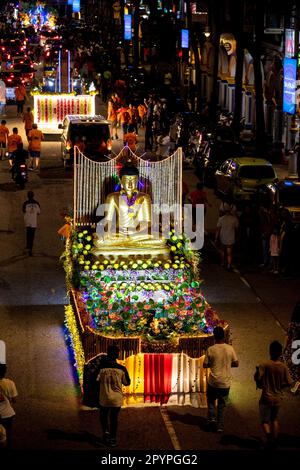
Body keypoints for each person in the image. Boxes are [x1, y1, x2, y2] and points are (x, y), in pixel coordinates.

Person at [254, 340, 293, 449]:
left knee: (264, 421)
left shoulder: (264, 365)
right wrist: (280, 387)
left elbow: (258, 378)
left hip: (266, 397)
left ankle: (270, 440)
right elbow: (289, 383)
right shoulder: (284, 367)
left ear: (270, 351)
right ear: (280, 353)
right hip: (277, 398)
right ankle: (274, 442)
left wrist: (257, 371)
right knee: (274, 420)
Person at [203, 326, 239, 433]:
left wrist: (213, 363)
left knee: (211, 402)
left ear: (214, 337)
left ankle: (212, 420)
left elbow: (205, 365)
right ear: (224, 336)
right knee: (222, 405)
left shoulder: (210, 349)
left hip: (213, 382)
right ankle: (220, 426)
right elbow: (236, 363)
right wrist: (228, 364)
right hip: (225, 383)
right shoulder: (230, 349)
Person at [97, 345, 130, 447]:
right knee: (114, 418)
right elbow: (127, 382)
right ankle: (113, 438)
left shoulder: (101, 368)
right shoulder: (122, 368)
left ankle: (106, 431)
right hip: (116, 398)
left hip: (104, 397)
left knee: (103, 415)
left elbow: (96, 381)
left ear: (107, 353)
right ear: (117, 354)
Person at [215, 205, 239, 271]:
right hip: (231, 236)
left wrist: (216, 238)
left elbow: (218, 229)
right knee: (229, 252)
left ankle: (222, 262)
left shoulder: (221, 219)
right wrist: (237, 236)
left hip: (223, 236)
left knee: (222, 250)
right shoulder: (234, 219)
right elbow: (237, 229)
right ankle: (229, 264)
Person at [283, 302, 300, 392]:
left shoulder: (293, 325)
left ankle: (294, 382)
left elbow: (288, 337)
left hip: (295, 346)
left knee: (291, 362)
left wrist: (284, 348)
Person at [0, 363, 18, 449]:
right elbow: (14, 400)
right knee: (7, 434)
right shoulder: (10, 383)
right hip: (7, 414)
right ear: (5, 372)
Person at [22, 191, 40, 256]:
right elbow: (38, 212)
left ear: (27, 196)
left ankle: (28, 247)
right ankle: (30, 250)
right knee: (32, 236)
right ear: (33, 196)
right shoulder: (37, 203)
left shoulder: (25, 203)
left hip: (27, 221)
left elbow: (23, 211)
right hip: (33, 222)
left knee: (28, 234)